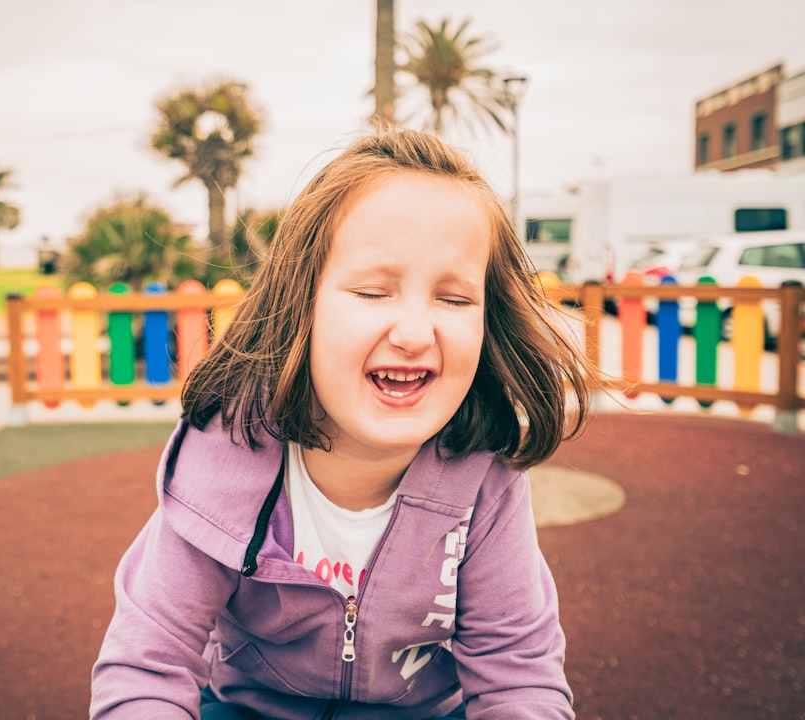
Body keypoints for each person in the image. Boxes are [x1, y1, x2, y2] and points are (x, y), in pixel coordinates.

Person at [90, 128, 593, 719]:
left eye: (454, 300)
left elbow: (519, 683)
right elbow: (149, 664)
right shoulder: (222, 463)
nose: (412, 333)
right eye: (372, 291)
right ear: (301, 306)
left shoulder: (483, 482)